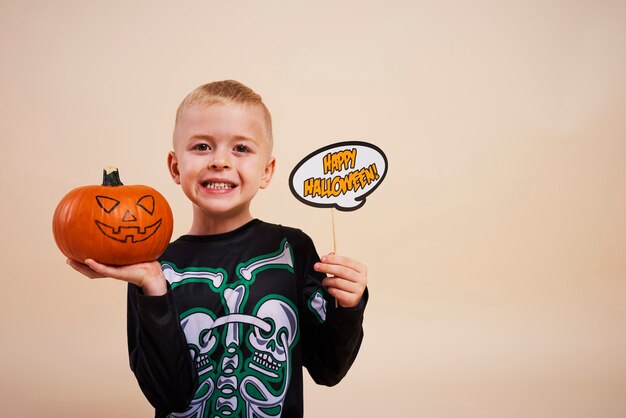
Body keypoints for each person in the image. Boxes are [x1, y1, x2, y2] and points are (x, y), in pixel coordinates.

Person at [68, 80, 368, 418]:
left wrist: (348, 306)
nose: (220, 161)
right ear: (175, 167)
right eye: (201, 147)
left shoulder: (292, 250)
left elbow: (328, 369)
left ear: (266, 171)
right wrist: (152, 289)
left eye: (241, 148)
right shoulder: (154, 266)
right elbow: (169, 395)